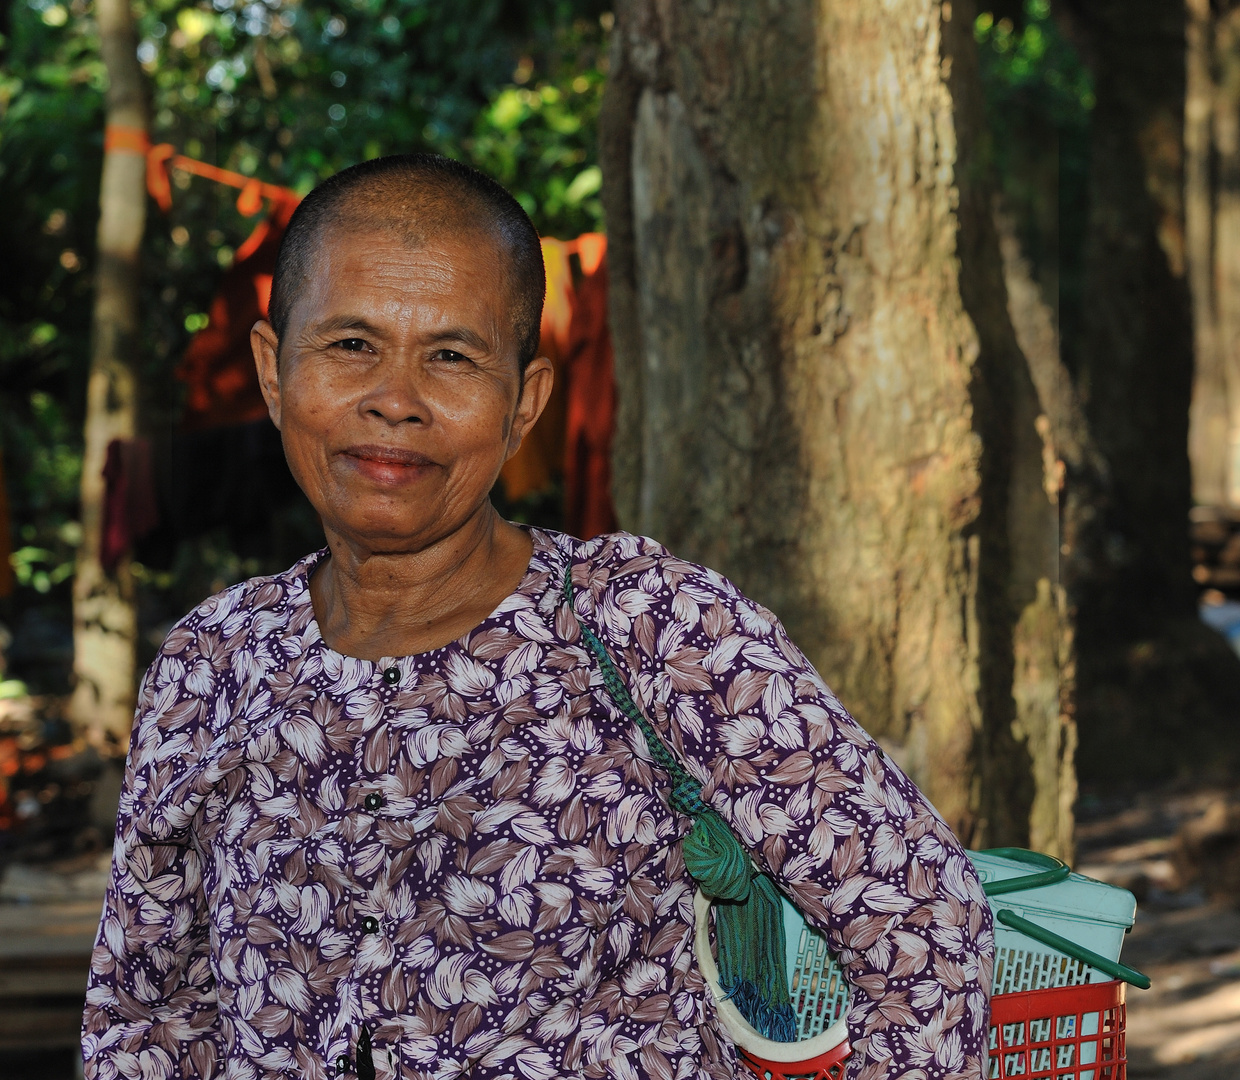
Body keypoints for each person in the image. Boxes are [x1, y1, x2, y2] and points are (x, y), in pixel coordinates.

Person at [82, 154, 993, 1080]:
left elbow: (926, 930)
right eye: (351, 345)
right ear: (275, 372)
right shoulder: (212, 663)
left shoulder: (650, 625)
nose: (395, 399)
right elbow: (145, 1018)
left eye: (451, 356)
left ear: (524, 403)